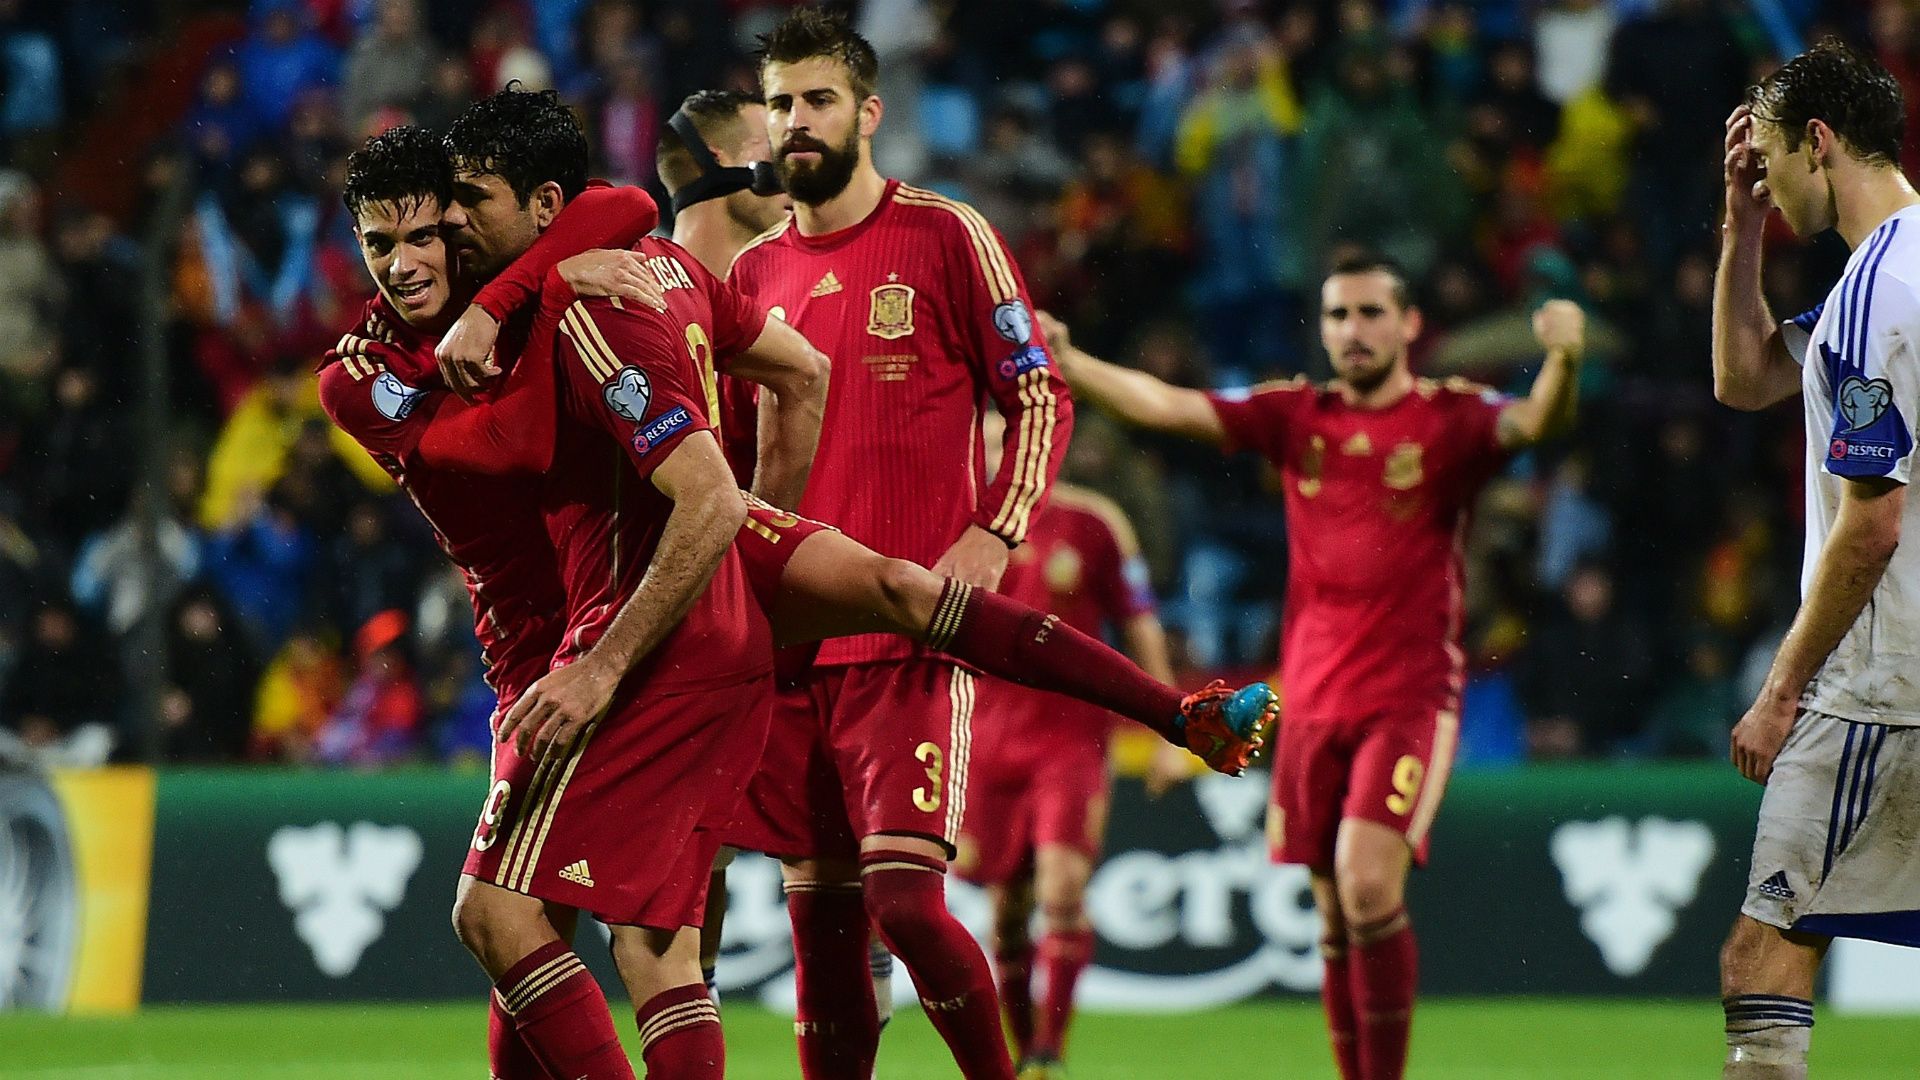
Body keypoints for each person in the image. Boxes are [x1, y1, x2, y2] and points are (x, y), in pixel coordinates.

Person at [1043, 261, 1584, 1080]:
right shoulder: (1298, 416)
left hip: (1408, 697)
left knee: (1369, 889)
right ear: (1323, 328)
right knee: (1332, 915)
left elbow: (1536, 422)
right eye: (1339, 315)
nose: (1353, 330)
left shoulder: (1449, 420)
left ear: (1408, 326)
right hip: (1314, 699)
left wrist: (1565, 362)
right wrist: (1074, 364)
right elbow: (1174, 406)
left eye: (1371, 312)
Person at [727, 12, 1071, 1077]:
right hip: (791, 656)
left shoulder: (945, 235)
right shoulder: (748, 275)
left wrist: (994, 531)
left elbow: (1038, 394)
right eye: (782, 102)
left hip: (908, 636)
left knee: (907, 905)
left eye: (819, 99)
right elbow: (732, 477)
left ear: (869, 112)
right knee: (822, 940)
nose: (797, 121)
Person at [318, 124, 671, 1080]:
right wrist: (557, 287)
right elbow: (507, 447)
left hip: (628, 620)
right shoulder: (360, 378)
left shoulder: (495, 296)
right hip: (533, 658)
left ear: (457, 234)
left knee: (516, 918)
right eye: (377, 245)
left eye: (422, 236)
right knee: (520, 922)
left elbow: (631, 204)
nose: (402, 264)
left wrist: (510, 295)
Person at [1713, 39, 1920, 1080]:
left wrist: (1783, 688)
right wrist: (1741, 225)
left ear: (1822, 143)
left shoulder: (1874, 296)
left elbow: (1872, 522)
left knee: (1763, 953)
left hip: (1885, 685)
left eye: (1775, 160)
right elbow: (1748, 376)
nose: (1771, 176)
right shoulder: (1893, 281)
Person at [957, 415, 1176, 1080]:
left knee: (1063, 888)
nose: (996, 458)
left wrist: (1172, 723)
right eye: (987, 448)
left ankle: (1050, 1051)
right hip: (988, 739)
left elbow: (1138, 616)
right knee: (1008, 913)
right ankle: (1026, 1054)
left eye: (1006, 445)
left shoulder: (1093, 522)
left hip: (1070, 739)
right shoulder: (957, 526)